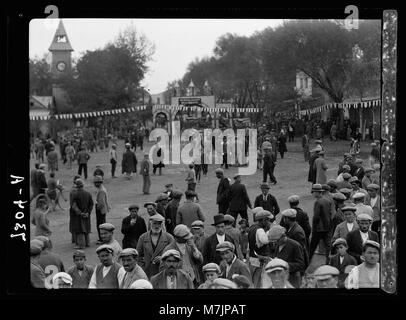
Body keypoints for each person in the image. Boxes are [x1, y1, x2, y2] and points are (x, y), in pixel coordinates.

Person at [136, 214, 174, 278]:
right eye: (154, 223)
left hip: (163, 271)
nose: (157, 226)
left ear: (161, 225)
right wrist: (142, 266)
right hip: (147, 271)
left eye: (159, 224)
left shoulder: (169, 237)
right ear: (150, 224)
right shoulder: (143, 237)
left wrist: (163, 259)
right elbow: (137, 255)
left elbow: (174, 254)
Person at [247, 210, 273, 288]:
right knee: (259, 282)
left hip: (252, 258)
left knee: (255, 280)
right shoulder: (260, 230)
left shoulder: (252, 227)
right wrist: (269, 231)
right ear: (264, 220)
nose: (269, 222)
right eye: (268, 220)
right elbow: (265, 241)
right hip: (259, 259)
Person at [309, 184, 332, 263]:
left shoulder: (318, 202)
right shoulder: (327, 201)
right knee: (328, 246)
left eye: (314, 192)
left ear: (317, 192)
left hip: (318, 228)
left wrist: (314, 228)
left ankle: (307, 262)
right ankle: (328, 261)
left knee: (312, 247)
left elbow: (316, 217)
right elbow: (329, 214)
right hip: (327, 227)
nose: (313, 194)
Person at [70, 178, 93, 249]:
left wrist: (80, 213)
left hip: (78, 216)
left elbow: (74, 206)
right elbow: (91, 204)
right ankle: (87, 243)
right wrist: (88, 212)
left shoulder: (75, 194)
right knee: (86, 228)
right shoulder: (88, 193)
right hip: (86, 214)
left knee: (79, 230)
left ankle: (81, 244)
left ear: (76, 186)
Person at [94, 176, 110, 244]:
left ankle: (102, 239)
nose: (94, 184)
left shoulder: (101, 191)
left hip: (101, 210)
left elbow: (101, 203)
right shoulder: (101, 189)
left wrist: (97, 208)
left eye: (95, 183)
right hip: (103, 209)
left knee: (100, 225)